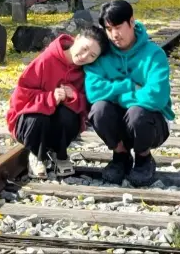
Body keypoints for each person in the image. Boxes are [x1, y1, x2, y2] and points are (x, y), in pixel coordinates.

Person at [84, 0, 173, 187]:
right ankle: (121, 156)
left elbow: (156, 96)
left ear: (131, 22)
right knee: (99, 109)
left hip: (151, 124)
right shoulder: (102, 54)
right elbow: (93, 92)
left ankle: (143, 159)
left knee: (136, 113)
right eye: (109, 29)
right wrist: (130, 88)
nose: (114, 35)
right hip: (120, 123)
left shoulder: (154, 55)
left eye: (118, 27)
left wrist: (116, 96)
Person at [7, 26, 109, 179]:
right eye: (84, 48)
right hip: (29, 123)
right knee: (39, 115)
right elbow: (20, 98)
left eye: (92, 55)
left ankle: (59, 154)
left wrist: (73, 96)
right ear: (78, 38)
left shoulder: (86, 70)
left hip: (58, 128)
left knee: (69, 115)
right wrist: (50, 98)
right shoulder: (46, 59)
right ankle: (36, 154)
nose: (84, 56)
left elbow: (87, 106)